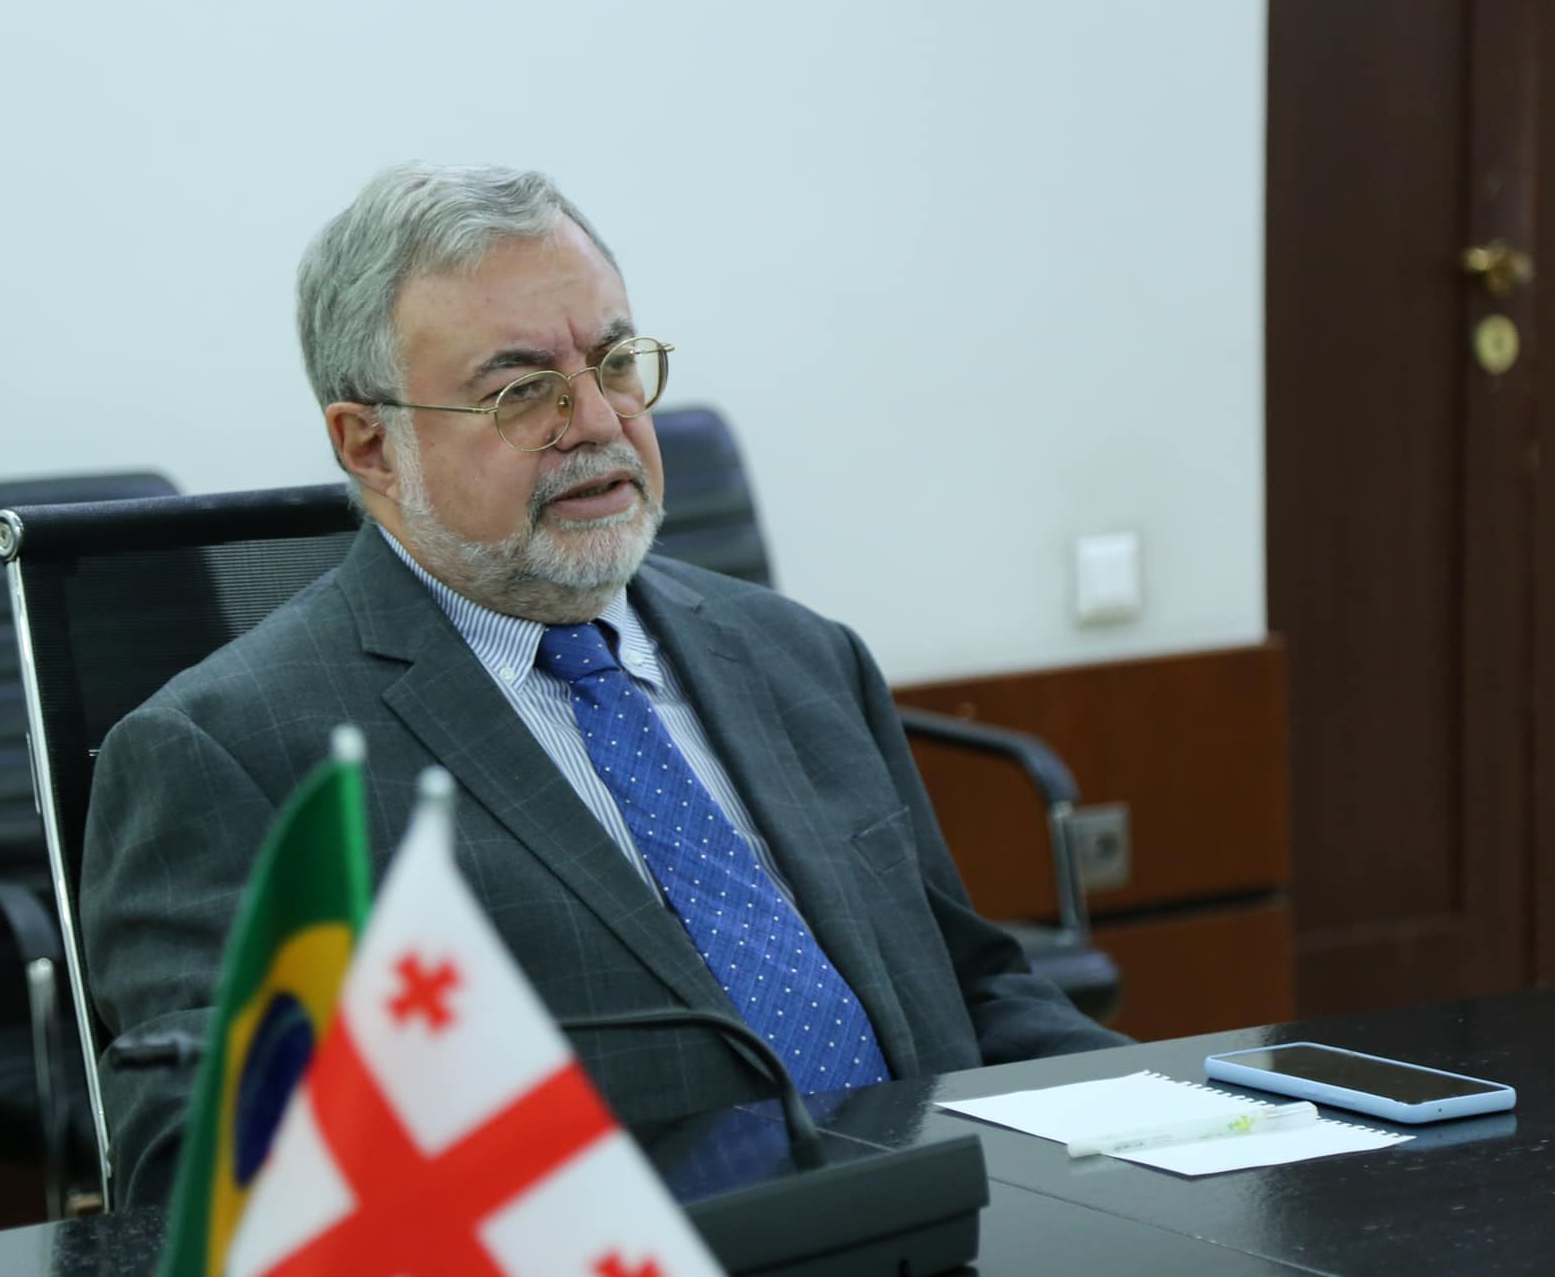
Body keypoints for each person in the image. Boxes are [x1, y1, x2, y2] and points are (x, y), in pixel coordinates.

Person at [85, 161, 1129, 1206]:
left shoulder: (800, 655)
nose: (596, 420)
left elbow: (972, 988)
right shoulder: (231, 753)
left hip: (945, 1224)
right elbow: (212, 1173)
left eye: (616, 363)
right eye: (520, 389)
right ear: (370, 445)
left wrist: (1165, 1118)